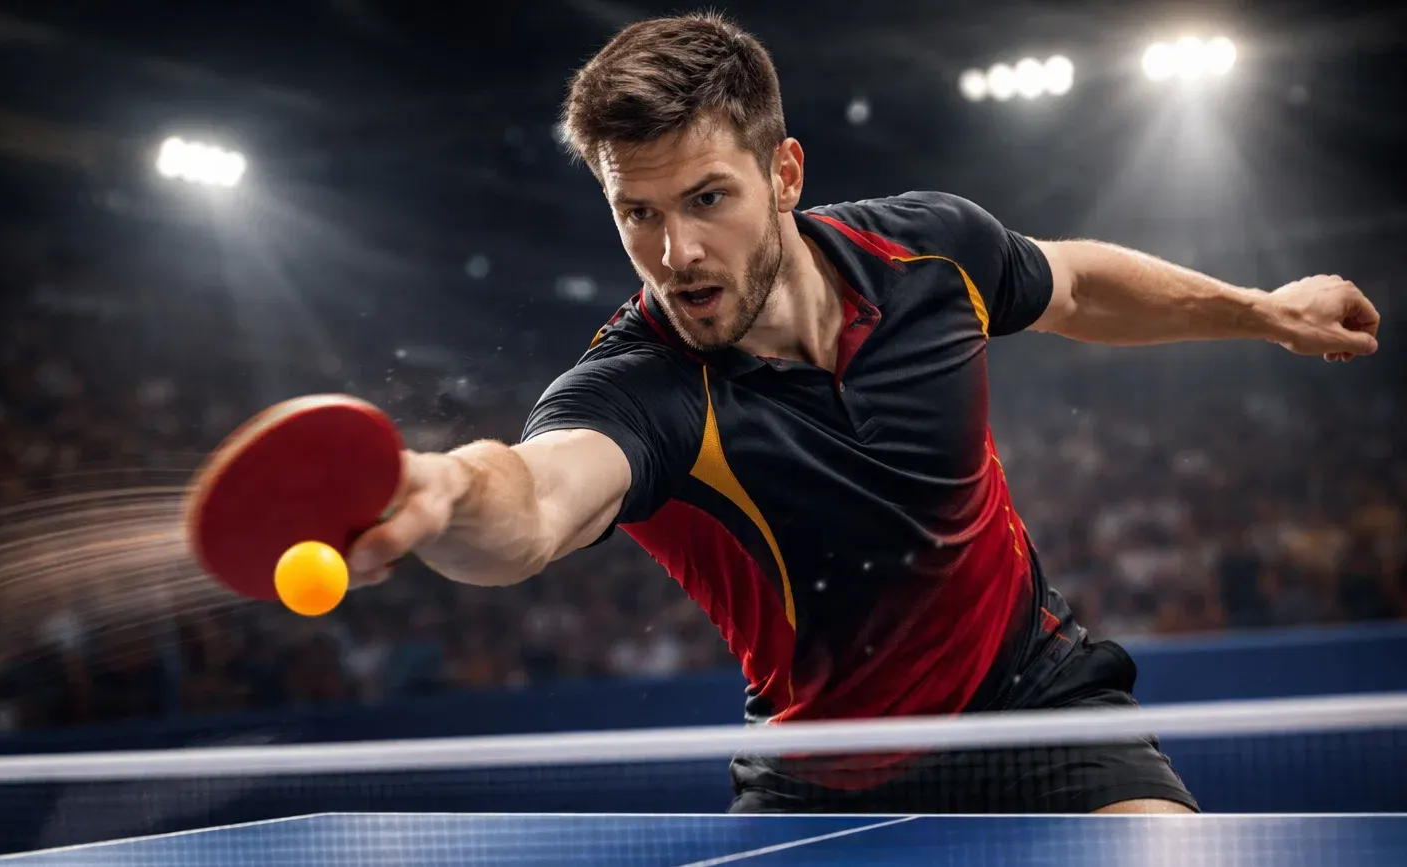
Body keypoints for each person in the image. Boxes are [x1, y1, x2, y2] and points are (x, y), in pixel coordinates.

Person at [345, 13, 1381, 814]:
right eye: (639, 214)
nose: (675, 255)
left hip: (1037, 706)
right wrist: (450, 489)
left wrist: (1262, 311)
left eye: (708, 199)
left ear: (783, 173)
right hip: (820, 776)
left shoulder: (930, 254)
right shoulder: (640, 390)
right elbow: (531, 509)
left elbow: (1074, 287)